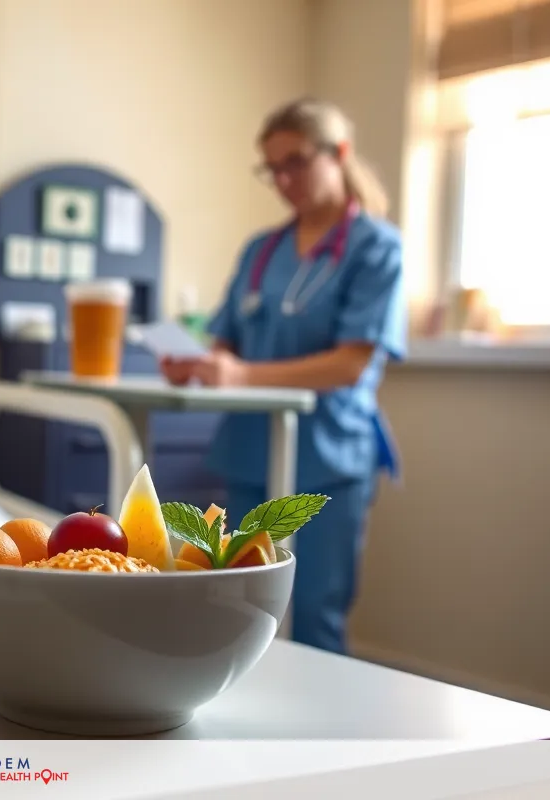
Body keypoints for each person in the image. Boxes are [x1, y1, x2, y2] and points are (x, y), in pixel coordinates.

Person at [160, 97, 405, 656]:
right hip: (251, 452)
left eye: (295, 161)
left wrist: (241, 375)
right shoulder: (261, 250)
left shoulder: (376, 248)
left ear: (338, 153)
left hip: (329, 458)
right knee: (245, 607)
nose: (283, 179)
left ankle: (316, 742)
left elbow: (350, 363)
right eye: (272, 168)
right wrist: (195, 364)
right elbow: (225, 341)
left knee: (315, 615)